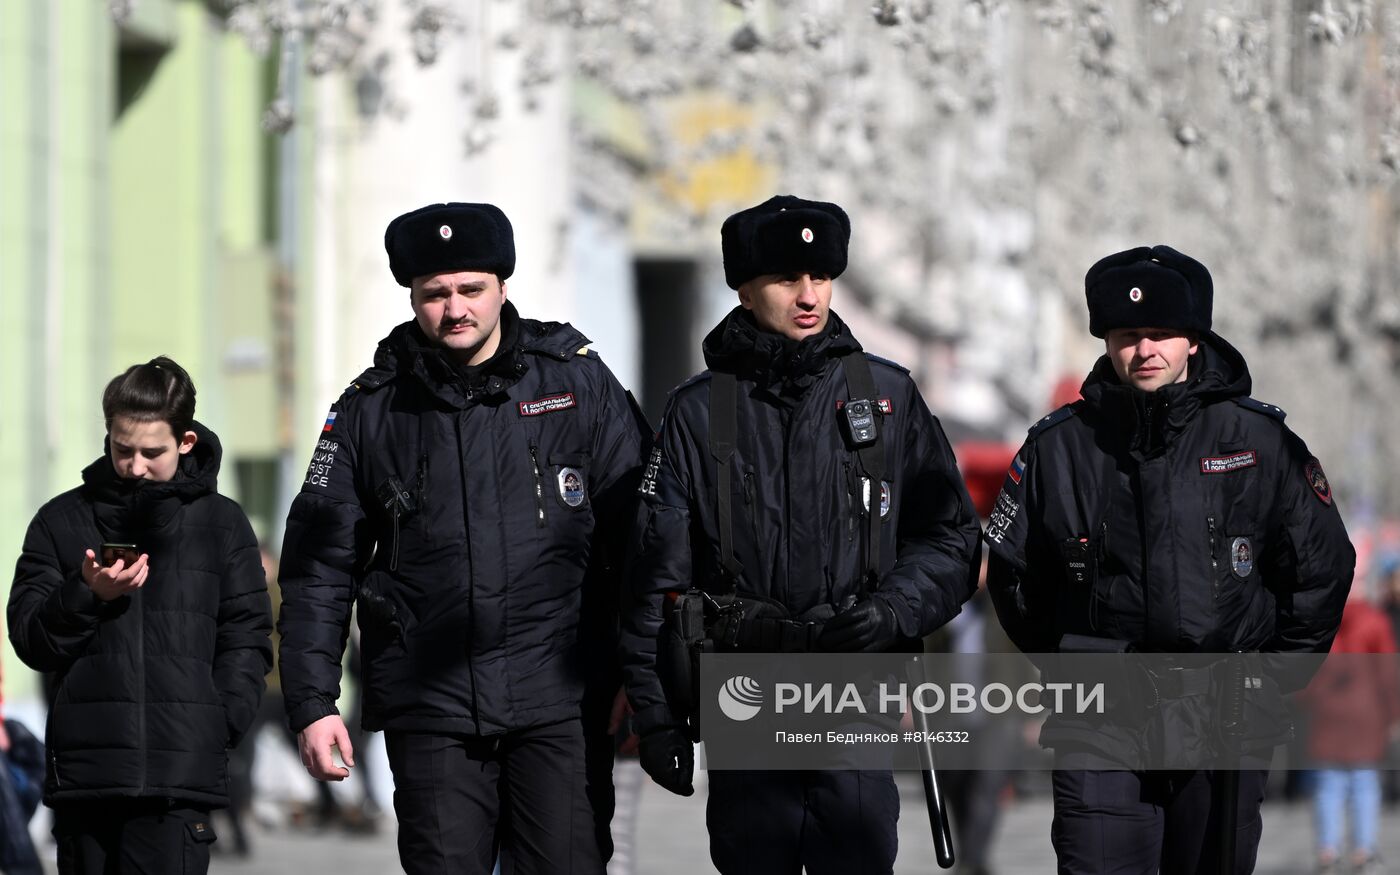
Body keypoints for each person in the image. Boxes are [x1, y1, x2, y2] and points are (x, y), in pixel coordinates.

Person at [276, 202, 647, 874]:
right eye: (435, 295)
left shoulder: (577, 382)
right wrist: (312, 702)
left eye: (471, 289)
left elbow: (645, 538)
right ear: (413, 298)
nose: (455, 309)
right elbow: (319, 564)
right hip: (431, 709)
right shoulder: (368, 409)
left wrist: (646, 676)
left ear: (503, 286)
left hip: (560, 701)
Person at [621, 194, 982, 874]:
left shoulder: (888, 395)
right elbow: (653, 576)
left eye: (821, 276)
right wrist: (658, 717)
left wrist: (893, 609)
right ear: (745, 288)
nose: (809, 294)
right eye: (788, 278)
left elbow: (953, 538)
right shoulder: (698, 412)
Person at [985, 245, 1355, 874]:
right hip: (1098, 718)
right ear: (1107, 342)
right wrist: (1069, 662)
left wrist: (1273, 676)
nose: (1145, 350)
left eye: (1162, 334)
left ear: (1193, 340)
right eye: (1129, 336)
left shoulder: (1258, 441)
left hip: (1226, 719)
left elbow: (1322, 565)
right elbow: (1016, 578)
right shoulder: (1058, 448)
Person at [8, 356, 274, 874]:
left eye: (152, 452)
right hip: (87, 783)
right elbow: (29, 640)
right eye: (121, 449)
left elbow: (248, 636)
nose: (134, 466)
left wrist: (216, 725)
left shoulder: (223, 526)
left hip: (177, 786)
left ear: (186, 442)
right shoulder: (60, 522)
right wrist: (86, 593)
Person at [1298, 585, 1400, 874]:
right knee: (1364, 784)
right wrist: (1393, 713)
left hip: (1326, 713)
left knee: (1327, 785)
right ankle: (1363, 851)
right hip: (1366, 715)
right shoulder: (1374, 620)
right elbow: (1387, 673)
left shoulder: (1319, 620)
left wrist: (1304, 702)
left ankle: (1328, 850)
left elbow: (1305, 671)